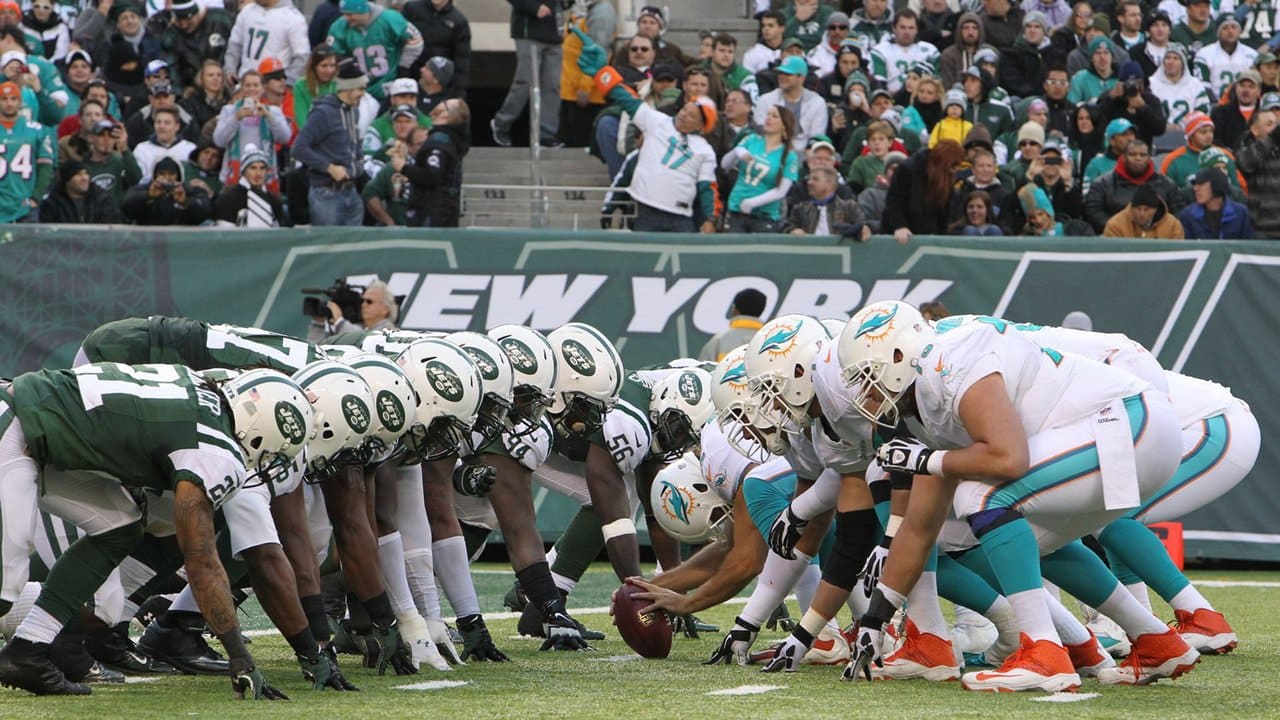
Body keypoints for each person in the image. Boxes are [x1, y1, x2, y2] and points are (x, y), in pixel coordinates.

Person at [838, 301, 1193, 692]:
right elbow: (919, 530)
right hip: (1120, 437)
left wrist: (930, 459)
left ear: (899, 356)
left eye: (867, 378)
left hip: (1129, 423)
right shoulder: (922, 406)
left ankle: (1044, 651)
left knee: (980, 494)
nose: (866, 397)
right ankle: (1155, 638)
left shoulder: (947, 361)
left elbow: (1008, 458)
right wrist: (875, 618)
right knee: (971, 536)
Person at [0, 363, 309, 698]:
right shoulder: (217, 451)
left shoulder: (200, 386)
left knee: (119, 526)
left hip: (42, 431)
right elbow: (201, 562)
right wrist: (240, 657)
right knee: (7, 580)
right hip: (17, 424)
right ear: (260, 428)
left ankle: (27, 652)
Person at [577, 27, 717, 233]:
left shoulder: (705, 150)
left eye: (691, 116)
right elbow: (625, 97)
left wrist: (710, 219)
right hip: (646, 212)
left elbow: (707, 188)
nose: (683, 115)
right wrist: (602, 72)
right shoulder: (657, 121)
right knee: (643, 264)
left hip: (680, 217)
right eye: (685, 110)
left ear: (700, 126)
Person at [292, 57, 365, 226]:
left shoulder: (354, 112)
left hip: (351, 191)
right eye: (360, 88)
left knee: (353, 249)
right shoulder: (323, 113)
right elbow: (299, 148)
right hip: (326, 193)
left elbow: (356, 144)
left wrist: (359, 164)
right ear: (348, 88)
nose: (363, 93)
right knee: (329, 249)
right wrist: (329, 168)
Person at [490, 0, 562, 147]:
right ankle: (502, 123)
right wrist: (534, 7)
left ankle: (546, 134)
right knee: (525, 82)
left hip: (555, 32)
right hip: (529, 31)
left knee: (552, 86)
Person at [721, 105, 799, 233]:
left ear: (784, 126)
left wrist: (753, 202)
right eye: (768, 114)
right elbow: (724, 165)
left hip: (764, 216)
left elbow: (781, 191)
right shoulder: (752, 139)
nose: (769, 118)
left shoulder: (790, 156)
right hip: (736, 209)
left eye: (774, 116)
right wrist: (736, 152)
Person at [326, 0, 423, 101]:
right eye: (344, 14)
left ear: (362, 11)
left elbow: (416, 42)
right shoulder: (339, 27)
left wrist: (403, 68)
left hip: (387, 83)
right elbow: (332, 55)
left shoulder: (390, 19)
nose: (346, 18)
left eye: (349, 14)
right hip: (356, 86)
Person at [394, 97, 469, 228]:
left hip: (431, 212)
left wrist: (403, 167)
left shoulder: (439, 141)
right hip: (445, 211)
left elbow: (431, 176)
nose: (439, 103)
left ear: (446, 115)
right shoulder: (451, 139)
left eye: (443, 103)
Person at [212, 69, 291, 191]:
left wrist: (268, 116)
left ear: (262, 88)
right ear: (242, 88)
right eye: (247, 85)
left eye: (256, 85)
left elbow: (285, 138)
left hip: (264, 176)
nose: (251, 89)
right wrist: (236, 118)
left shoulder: (273, 111)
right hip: (235, 175)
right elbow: (219, 141)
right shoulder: (229, 111)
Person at [1085, 139, 1185, 232]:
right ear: (1123, 157)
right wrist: (1119, 228)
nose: (1138, 158)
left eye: (1143, 155)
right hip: (1116, 238)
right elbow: (1093, 212)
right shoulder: (1102, 183)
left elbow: (1178, 212)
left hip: (1157, 237)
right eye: (1133, 154)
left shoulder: (1167, 184)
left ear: (1149, 158)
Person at [884, 139, 965, 241]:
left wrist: (941, 235)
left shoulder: (947, 177)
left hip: (930, 234)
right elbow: (894, 201)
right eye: (953, 166)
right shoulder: (908, 169)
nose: (954, 170)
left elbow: (944, 211)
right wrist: (900, 226)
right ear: (944, 164)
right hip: (902, 234)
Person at [224, 0, 310, 84]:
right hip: (245, 82)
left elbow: (302, 57)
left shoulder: (293, 18)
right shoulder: (247, 11)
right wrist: (230, 69)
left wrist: (288, 81)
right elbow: (234, 45)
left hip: (272, 86)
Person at [0, 80, 51, 223]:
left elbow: (46, 166)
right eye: (4, 99)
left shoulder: (37, 130)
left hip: (24, 205)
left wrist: (36, 197)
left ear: (20, 101)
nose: (9, 103)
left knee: (28, 245)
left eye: (13, 98)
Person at [754, 55, 827, 152]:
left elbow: (816, 137)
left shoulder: (817, 102)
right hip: (771, 151)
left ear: (801, 78)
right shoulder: (766, 100)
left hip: (804, 155)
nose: (782, 77)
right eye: (780, 73)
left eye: (788, 74)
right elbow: (760, 130)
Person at [159, 0, 234, 90]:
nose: (184, 25)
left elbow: (238, 46)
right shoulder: (172, 37)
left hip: (226, 83)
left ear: (198, 14)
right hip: (193, 89)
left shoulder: (220, 20)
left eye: (188, 18)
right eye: (179, 20)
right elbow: (172, 69)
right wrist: (181, 92)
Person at [402, 0, 471, 97]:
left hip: (437, 87)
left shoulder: (459, 21)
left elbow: (461, 63)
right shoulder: (411, 9)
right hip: (409, 79)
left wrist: (458, 95)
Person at [122, 155, 212, 224]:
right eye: (162, 174)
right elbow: (126, 206)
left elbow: (206, 211)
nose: (167, 178)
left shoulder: (190, 191)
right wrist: (148, 195)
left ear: (179, 175)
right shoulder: (144, 189)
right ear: (155, 175)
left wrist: (186, 201)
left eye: (171, 174)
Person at [213, 144, 287, 227]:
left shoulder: (273, 200)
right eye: (253, 168)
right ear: (244, 171)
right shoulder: (228, 198)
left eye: (262, 168)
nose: (258, 173)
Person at [871, 10, 940, 95]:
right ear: (894, 28)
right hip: (892, 100)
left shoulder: (930, 51)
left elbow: (936, 83)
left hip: (921, 100)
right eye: (902, 27)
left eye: (911, 28)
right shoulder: (881, 50)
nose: (907, 32)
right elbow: (880, 85)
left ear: (917, 29)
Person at [1100, 60, 1167, 147]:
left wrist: (1144, 108)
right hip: (1115, 149)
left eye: (1137, 83)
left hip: (1142, 151)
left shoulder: (1150, 100)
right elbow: (1098, 122)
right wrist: (1110, 98)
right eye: (1128, 83)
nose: (1133, 86)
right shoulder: (1112, 98)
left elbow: (1159, 129)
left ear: (1143, 83)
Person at [1237, 109, 1280, 237]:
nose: (1275, 129)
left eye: (1277, 125)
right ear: (1255, 130)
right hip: (1264, 230)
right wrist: (1272, 138)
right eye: (1269, 124)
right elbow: (1245, 163)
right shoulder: (1246, 150)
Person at [1178, 167, 1254, 239]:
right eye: (1195, 185)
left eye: (1201, 184)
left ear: (1216, 184)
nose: (1195, 188)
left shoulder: (1241, 214)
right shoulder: (1188, 216)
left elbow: (1248, 246)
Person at [1194, 16, 1258, 99]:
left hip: (1243, 103)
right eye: (1225, 28)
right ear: (1218, 32)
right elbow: (1203, 86)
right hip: (1214, 104)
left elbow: (1256, 86)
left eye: (1234, 27)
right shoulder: (1204, 54)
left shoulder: (1252, 55)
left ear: (1239, 31)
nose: (1230, 31)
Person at [1151, 44, 1211, 131]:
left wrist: (1184, 127)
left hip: (1189, 134)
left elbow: (1203, 112)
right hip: (1158, 135)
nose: (1171, 62)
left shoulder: (1195, 84)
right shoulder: (1151, 83)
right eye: (1168, 58)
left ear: (1183, 63)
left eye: (1176, 58)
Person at [39, 160, 122, 223]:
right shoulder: (52, 203)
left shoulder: (102, 200)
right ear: (67, 180)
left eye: (86, 173)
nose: (84, 178)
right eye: (78, 174)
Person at [83, 118, 141, 204]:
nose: (107, 140)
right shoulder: (82, 167)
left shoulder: (120, 161)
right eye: (101, 135)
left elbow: (136, 179)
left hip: (115, 214)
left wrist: (124, 149)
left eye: (111, 136)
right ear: (91, 138)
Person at [698, 289, 767, 362]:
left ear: (735, 309)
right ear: (761, 310)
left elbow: (704, 371)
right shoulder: (769, 340)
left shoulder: (719, 341)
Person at [1103, 182, 1185, 238]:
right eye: (1138, 209)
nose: (1142, 213)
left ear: (1155, 209)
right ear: (1132, 207)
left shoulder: (1173, 225)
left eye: (1146, 210)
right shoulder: (1115, 226)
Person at [1212, 69, 1262, 151]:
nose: (1246, 90)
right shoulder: (1220, 113)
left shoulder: (1265, 113)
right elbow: (1215, 141)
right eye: (1242, 86)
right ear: (1236, 88)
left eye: (1251, 87)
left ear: (1259, 91)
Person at [292, 44, 338, 130]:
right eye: (324, 66)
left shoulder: (340, 85)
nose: (329, 70)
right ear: (314, 67)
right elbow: (302, 123)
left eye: (332, 65)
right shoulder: (301, 86)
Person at [940, 12, 988, 89]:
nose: (970, 32)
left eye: (975, 28)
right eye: (966, 28)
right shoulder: (948, 55)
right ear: (959, 31)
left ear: (981, 30)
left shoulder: (989, 53)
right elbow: (948, 86)